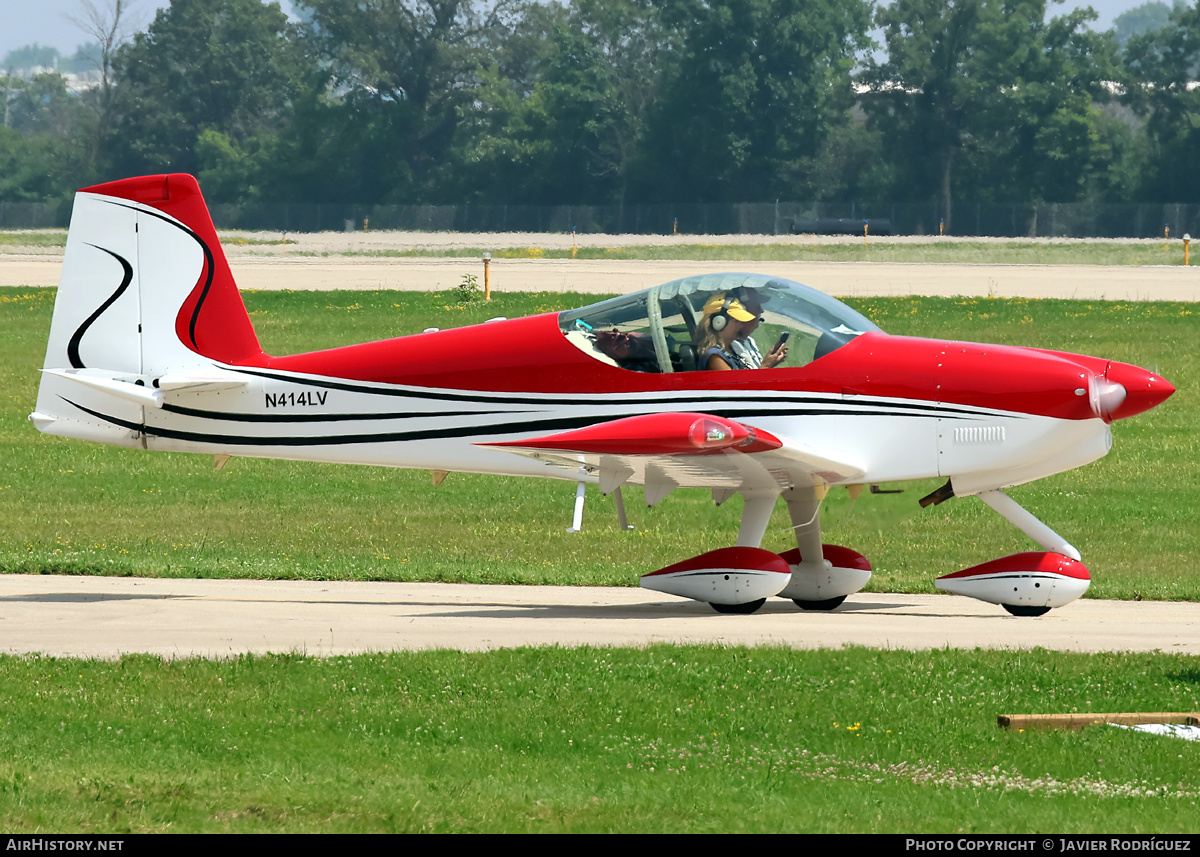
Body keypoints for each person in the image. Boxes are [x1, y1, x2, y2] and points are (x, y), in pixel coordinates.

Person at [697, 291, 788, 371]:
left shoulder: (732, 350)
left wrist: (771, 363)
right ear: (719, 322)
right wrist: (766, 366)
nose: (741, 325)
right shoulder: (715, 357)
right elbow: (737, 389)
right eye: (737, 321)